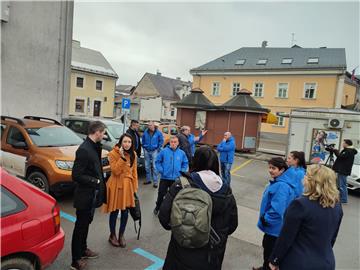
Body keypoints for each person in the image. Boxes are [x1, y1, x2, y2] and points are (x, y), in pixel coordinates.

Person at [158, 146, 238, 270]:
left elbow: (164, 217)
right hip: (211, 256)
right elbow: (232, 225)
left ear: (195, 161)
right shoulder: (226, 191)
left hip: (181, 252)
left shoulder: (182, 185)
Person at [269, 164, 343, 270]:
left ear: (313, 181)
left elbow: (286, 237)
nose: (304, 177)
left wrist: (275, 259)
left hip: (298, 262)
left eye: (306, 175)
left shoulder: (300, 204)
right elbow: (332, 238)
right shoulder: (337, 206)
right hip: (326, 262)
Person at [71, 121, 107, 270]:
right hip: (84, 196)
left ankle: (83, 249)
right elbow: (76, 175)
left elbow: (93, 166)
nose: (104, 135)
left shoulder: (94, 147)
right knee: (80, 227)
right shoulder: (84, 149)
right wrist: (96, 181)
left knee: (86, 224)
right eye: (103, 132)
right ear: (97, 132)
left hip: (92, 195)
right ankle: (75, 259)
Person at [253, 157, 297, 270]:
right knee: (269, 253)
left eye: (274, 168)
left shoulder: (281, 186)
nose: (270, 170)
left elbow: (278, 210)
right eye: (269, 167)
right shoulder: (280, 182)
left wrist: (266, 219)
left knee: (269, 253)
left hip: (274, 230)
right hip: (276, 228)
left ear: (282, 170)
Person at [102, 133, 138, 248]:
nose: (127, 144)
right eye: (125, 141)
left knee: (125, 211)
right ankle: (112, 235)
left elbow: (134, 172)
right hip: (116, 184)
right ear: (120, 142)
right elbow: (115, 171)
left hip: (128, 186)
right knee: (114, 211)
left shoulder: (134, 154)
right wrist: (122, 157)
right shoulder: (113, 153)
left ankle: (121, 235)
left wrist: (134, 188)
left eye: (129, 142)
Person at [153, 136, 188, 216]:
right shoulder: (164, 151)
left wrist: (181, 171)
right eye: (172, 142)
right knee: (161, 194)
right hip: (165, 177)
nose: (173, 143)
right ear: (169, 143)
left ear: (178, 143)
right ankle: (158, 207)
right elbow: (157, 161)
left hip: (176, 178)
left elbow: (185, 163)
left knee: (175, 195)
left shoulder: (182, 153)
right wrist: (162, 170)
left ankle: (173, 209)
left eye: (175, 142)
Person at [332, 139, 357, 204]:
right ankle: (341, 197)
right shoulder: (349, 150)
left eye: (343, 143)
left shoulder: (349, 151)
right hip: (343, 169)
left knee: (342, 185)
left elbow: (341, 157)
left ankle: (343, 199)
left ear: (347, 144)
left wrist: (336, 151)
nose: (342, 144)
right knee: (341, 184)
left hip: (343, 170)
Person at [142, 121, 164, 188]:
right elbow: (143, 140)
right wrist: (144, 147)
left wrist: (158, 148)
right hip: (146, 150)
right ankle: (148, 180)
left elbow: (161, 141)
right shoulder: (145, 132)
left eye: (151, 125)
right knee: (147, 166)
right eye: (148, 125)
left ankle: (155, 182)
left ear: (154, 126)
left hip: (155, 151)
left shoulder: (158, 133)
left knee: (155, 167)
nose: (149, 126)